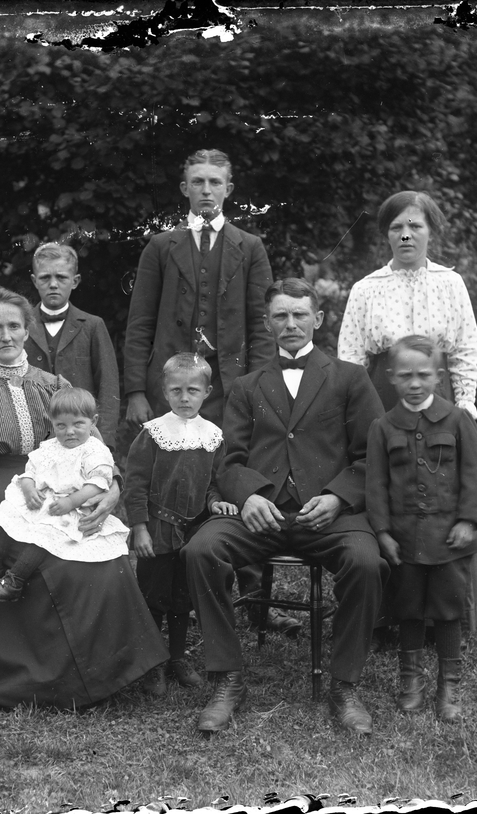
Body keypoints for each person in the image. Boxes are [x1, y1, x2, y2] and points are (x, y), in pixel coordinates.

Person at [0, 286, 167, 708]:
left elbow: (93, 447)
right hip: (1, 500)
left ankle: (127, 664)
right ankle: (47, 678)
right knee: (32, 562)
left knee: (104, 560)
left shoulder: (55, 386)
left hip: (64, 492)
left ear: (27, 330)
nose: (6, 336)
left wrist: (112, 488)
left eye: (14, 326)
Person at [183, 277, 389, 736]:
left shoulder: (350, 378)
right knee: (201, 550)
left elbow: (372, 456)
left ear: (318, 319)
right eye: (281, 315)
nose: (291, 323)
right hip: (264, 514)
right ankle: (228, 678)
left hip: (329, 514)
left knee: (366, 562)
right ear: (267, 323)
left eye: (299, 314)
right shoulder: (247, 385)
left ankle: (345, 686)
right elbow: (230, 459)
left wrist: (338, 496)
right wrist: (249, 495)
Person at [124, 148, 298, 636]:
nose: (206, 190)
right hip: (173, 388)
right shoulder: (161, 246)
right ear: (185, 188)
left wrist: (259, 388)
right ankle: (165, 598)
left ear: (228, 189)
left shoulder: (249, 246)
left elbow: (262, 326)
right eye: (197, 181)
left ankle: (252, 599)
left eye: (215, 182)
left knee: (234, 481)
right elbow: (140, 320)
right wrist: (136, 389)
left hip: (230, 389)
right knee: (169, 485)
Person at [336, 189, 477, 637]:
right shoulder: (367, 288)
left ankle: (446, 615)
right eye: (396, 227)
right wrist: (355, 417)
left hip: (440, 404)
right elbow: (349, 360)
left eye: (415, 226)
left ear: (430, 232)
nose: (405, 235)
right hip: (383, 400)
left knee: (441, 496)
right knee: (390, 494)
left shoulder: (451, 284)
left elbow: (465, 350)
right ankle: (386, 616)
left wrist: (464, 406)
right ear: (386, 234)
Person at [365, 336, 477, 723]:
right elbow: (375, 485)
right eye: (405, 376)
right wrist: (383, 533)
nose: (414, 383)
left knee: (448, 609)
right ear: (391, 377)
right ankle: (411, 681)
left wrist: (467, 521)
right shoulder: (383, 427)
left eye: (423, 375)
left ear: (438, 376)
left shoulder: (458, 420)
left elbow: (474, 475)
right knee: (409, 609)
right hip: (404, 540)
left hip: (450, 538)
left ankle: (449, 686)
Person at [123, 353, 239, 696]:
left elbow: (215, 482)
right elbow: (135, 484)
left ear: (207, 393)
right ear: (164, 391)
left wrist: (216, 502)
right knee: (153, 597)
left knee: (181, 598)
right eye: (176, 390)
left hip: (194, 531)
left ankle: (176, 657)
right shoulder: (154, 433)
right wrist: (140, 528)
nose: (184, 398)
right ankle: (153, 663)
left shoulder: (213, 436)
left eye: (192, 390)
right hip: (158, 530)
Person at [0, 387, 129, 602]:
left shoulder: (94, 450)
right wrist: (29, 489)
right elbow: (29, 472)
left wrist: (71, 501)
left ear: (93, 422)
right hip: (44, 500)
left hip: (70, 507)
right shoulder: (50, 447)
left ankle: (14, 581)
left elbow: (98, 484)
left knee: (45, 533)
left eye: (78, 424)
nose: (69, 432)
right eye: (61, 425)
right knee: (8, 511)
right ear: (52, 424)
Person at [24, 243, 121, 450]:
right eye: (45, 278)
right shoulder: (20, 326)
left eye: (61, 277)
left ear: (75, 281)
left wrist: (104, 444)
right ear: (34, 281)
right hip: (33, 437)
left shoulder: (93, 326)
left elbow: (108, 387)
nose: (53, 284)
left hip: (81, 438)